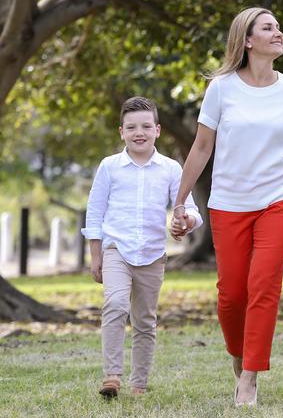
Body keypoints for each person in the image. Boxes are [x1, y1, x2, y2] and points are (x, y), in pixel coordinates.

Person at [170, 7, 283, 407]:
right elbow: (201, 147)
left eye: (278, 27)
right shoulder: (222, 88)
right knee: (231, 295)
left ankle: (250, 376)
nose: (278, 33)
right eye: (268, 28)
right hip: (228, 202)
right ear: (247, 40)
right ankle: (238, 355)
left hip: (278, 198)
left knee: (263, 286)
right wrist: (179, 200)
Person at [82, 96, 203, 398]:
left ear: (158, 130)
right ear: (121, 131)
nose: (140, 132)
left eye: (146, 126)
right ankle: (112, 375)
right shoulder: (110, 167)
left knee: (145, 320)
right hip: (116, 250)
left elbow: (190, 210)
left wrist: (184, 222)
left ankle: (139, 384)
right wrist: (95, 255)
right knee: (115, 305)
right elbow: (95, 213)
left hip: (152, 254)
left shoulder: (171, 169)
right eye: (132, 127)